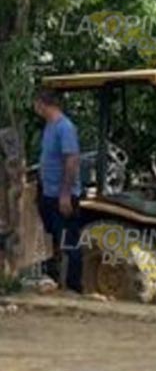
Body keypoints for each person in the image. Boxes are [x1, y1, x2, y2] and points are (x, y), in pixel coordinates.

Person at [33, 88, 82, 293]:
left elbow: (71, 160)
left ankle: (74, 287)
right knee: (50, 240)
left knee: (69, 241)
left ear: (43, 104)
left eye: (36, 104)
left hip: (62, 196)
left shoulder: (65, 127)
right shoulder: (49, 127)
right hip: (48, 193)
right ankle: (52, 281)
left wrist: (65, 194)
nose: (35, 109)